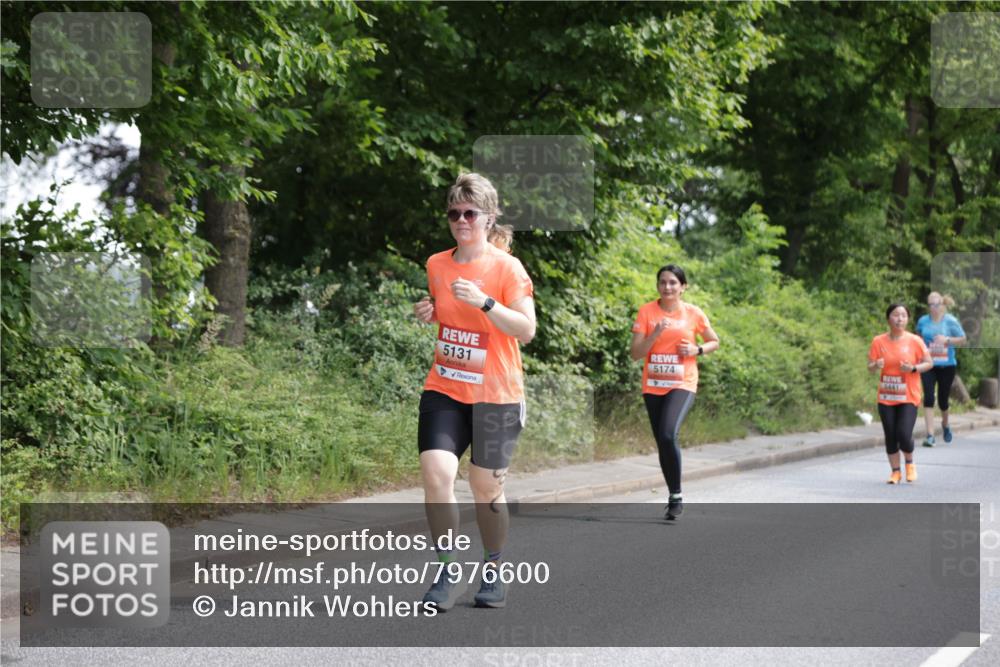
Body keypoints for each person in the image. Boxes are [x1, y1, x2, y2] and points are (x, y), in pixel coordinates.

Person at [411, 173, 535, 611]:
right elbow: (445, 314)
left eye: (469, 212)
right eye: (454, 212)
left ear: (488, 217)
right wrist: (429, 313)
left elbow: (527, 329)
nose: (461, 220)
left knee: (485, 488)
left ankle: (494, 568)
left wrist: (486, 302)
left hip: (497, 394)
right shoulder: (436, 264)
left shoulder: (506, 268)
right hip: (445, 386)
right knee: (436, 475)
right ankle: (447, 570)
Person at [630, 264, 720, 520]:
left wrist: (697, 350)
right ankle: (673, 495)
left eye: (672, 283)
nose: (667, 287)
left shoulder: (693, 313)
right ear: (657, 285)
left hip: (683, 382)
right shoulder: (647, 311)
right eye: (662, 282)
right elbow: (635, 353)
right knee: (662, 440)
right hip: (653, 384)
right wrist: (655, 333)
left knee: (669, 433)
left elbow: (715, 341)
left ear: (683, 287)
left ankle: (676, 495)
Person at [867, 304, 933, 484]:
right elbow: (870, 368)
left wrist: (913, 368)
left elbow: (929, 363)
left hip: (908, 396)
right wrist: (876, 365)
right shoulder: (878, 341)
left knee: (903, 434)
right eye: (896, 315)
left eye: (903, 315)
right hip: (887, 397)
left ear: (907, 319)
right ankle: (895, 472)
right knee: (890, 435)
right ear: (889, 318)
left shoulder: (915, 341)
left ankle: (910, 464)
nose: (900, 319)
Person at [915, 292, 966, 447]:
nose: (933, 308)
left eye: (936, 304)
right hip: (928, 364)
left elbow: (963, 340)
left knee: (943, 400)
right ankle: (930, 435)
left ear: (942, 305)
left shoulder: (950, 321)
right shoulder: (923, 321)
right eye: (930, 305)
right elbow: (918, 337)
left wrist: (947, 340)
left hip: (947, 365)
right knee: (929, 397)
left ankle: (945, 424)